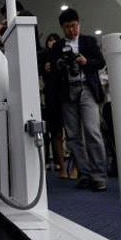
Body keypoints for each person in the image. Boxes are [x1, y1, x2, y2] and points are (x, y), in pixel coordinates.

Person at [50, 8, 107, 191]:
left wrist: (85, 62)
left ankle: (98, 176)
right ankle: (84, 173)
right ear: (62, 28)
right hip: (67, 92)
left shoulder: (88, 41)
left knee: (92, 131)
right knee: (73, 136)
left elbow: (101, 62)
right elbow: (52, 72)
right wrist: (59, 64)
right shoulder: (58, 46)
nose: (71, 30)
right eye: (67, 27)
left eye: (74, 26)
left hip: (86, 88)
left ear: (78, 24)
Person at [39, 33, 73, 179]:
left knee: (73, 132)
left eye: (55, 40)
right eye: (50, 39)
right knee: (56, 132)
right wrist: (45, 69)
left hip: (67, 93)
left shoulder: (65, 55)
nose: (52, 42)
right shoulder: (43, 57)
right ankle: (62, 167)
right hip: (51, 96)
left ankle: (76, 167)